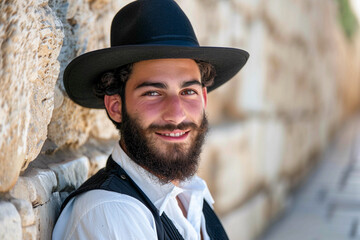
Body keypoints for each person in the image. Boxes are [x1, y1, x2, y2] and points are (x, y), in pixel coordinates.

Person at [52, 0, 248, 239]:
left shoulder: (190, 191)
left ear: (204, 98)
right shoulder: (110, 212)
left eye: (188, 91)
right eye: (153, 93)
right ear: (116, 106)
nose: (176, 114)